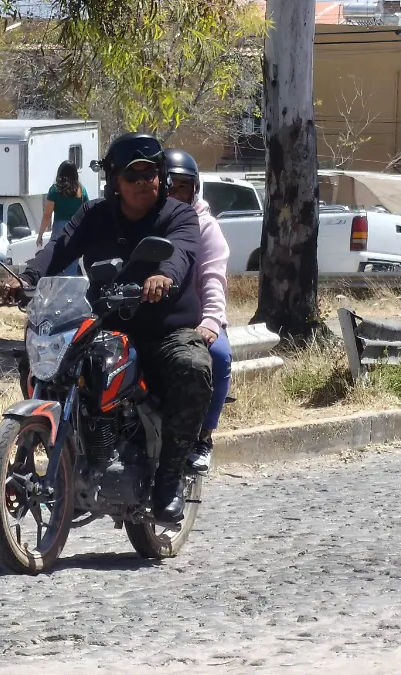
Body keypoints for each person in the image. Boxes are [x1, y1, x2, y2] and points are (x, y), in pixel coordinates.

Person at [1, 133, 212, 524]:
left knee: (193, 367)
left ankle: (168, 480)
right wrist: (26, 278)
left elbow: (182, 252)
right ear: (115, 180)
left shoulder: (178, 215)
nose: (142, 182)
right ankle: (69, 452)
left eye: (149, 173)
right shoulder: (95, 214)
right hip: (105, 324)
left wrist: (163, 276)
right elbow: (59, 247)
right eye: (132, 175)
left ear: (162, 176)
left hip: (164, 330)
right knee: (43, 360)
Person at [163, 148, 230, 475]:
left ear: (194, 189)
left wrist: (211, 321)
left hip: (199, 319)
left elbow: (213, 277)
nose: (175, 194)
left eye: (182, 187)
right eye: (169, 186)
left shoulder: (205, 226)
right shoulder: (148, 222)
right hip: (157, 319)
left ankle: (203, 437)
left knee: (218, 356)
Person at [36, 160, 88, 276]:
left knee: (55, 260)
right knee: (72, 262)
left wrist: (40, 235)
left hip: (59, 229)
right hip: (75, 229)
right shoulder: (81, 190)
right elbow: (87, 211)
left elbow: (47, 215)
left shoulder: (55, 190)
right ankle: (70, 286)